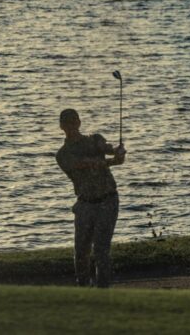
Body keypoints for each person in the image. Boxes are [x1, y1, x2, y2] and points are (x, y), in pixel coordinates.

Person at [55, 108, 126, 287]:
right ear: (61, 126)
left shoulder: (95, 140)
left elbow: (107, 149)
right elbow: (85, 164)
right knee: (81, 252)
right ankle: (83, 289)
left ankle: (102, 292)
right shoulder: (63, 155)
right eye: (67, 123)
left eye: (73, 122)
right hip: (85, 204)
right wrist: (112, 162)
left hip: (108, 201)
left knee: (101, 251)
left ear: (79, 122)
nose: (71, 126)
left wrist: (118, 152)